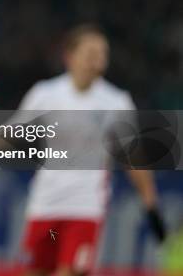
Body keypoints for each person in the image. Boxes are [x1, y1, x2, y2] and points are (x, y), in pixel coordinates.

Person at [17, 24, 165, 276]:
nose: (98, 61)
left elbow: (133, 157)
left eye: (102, 54)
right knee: (37, 271)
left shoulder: (115, 101)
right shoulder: (44, 94)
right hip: (45, 206)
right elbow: (14, 133)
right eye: (91, 53)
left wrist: (150, 202)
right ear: (69, 57)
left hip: (85, 207)